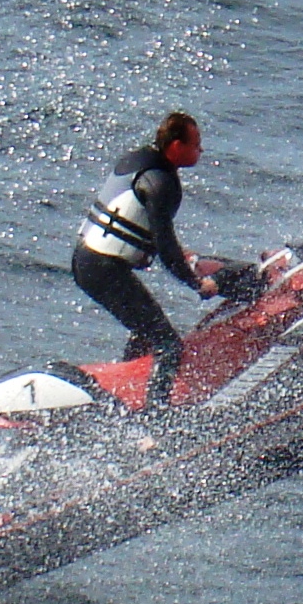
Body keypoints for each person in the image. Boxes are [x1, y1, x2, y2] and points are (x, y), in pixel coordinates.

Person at [72, 111, 218, 408]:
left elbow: (144, 228)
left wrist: (183, 255)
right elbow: (164, 245)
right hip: (103, 268)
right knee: (168, 346)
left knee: (145, 334)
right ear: (176, 146)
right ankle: (154, 420)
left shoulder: (137, 160)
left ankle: (127, 397)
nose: (200, 151)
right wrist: (195, 283)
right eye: (196, 144)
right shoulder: (161, 182)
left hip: (86, 260)